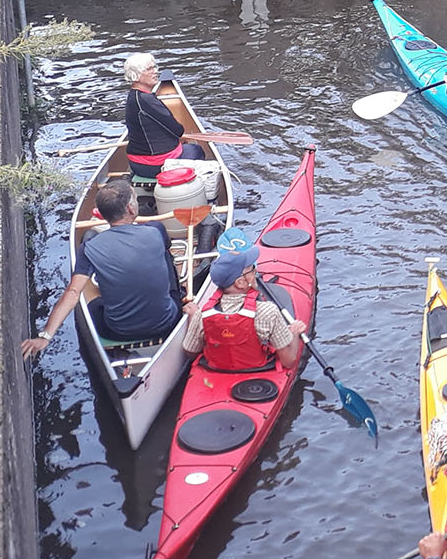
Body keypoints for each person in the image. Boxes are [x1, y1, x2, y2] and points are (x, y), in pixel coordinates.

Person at [22, 180, 182, 359]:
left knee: (92, 304)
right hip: (167, 322)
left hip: (116, 331)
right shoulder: (155, 230)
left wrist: (45, 336)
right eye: (135, 199)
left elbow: (73, 292)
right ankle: (180, 294)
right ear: (130, 208)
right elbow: (165, 248)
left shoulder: (89, 246)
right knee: (166, 255)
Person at [177, 231, 307, 371]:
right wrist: (294, 333)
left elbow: (190, 352)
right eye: (252, 270)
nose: (255, 273)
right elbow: (288, 361)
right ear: (240, 282)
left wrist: (193, 318)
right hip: (258, 371)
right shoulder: (268, 311)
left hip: (218, 372)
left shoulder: (202, 315)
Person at [121, 53, 204, 213]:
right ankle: (198, 199)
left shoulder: (134, 96)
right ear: (137, 75)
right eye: (149, 68)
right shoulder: (147, 101)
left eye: (155, 67)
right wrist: (180, 138)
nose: (155, 71)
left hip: (136, 163)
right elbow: (177, 130)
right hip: (154, 165)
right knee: (196, 150)